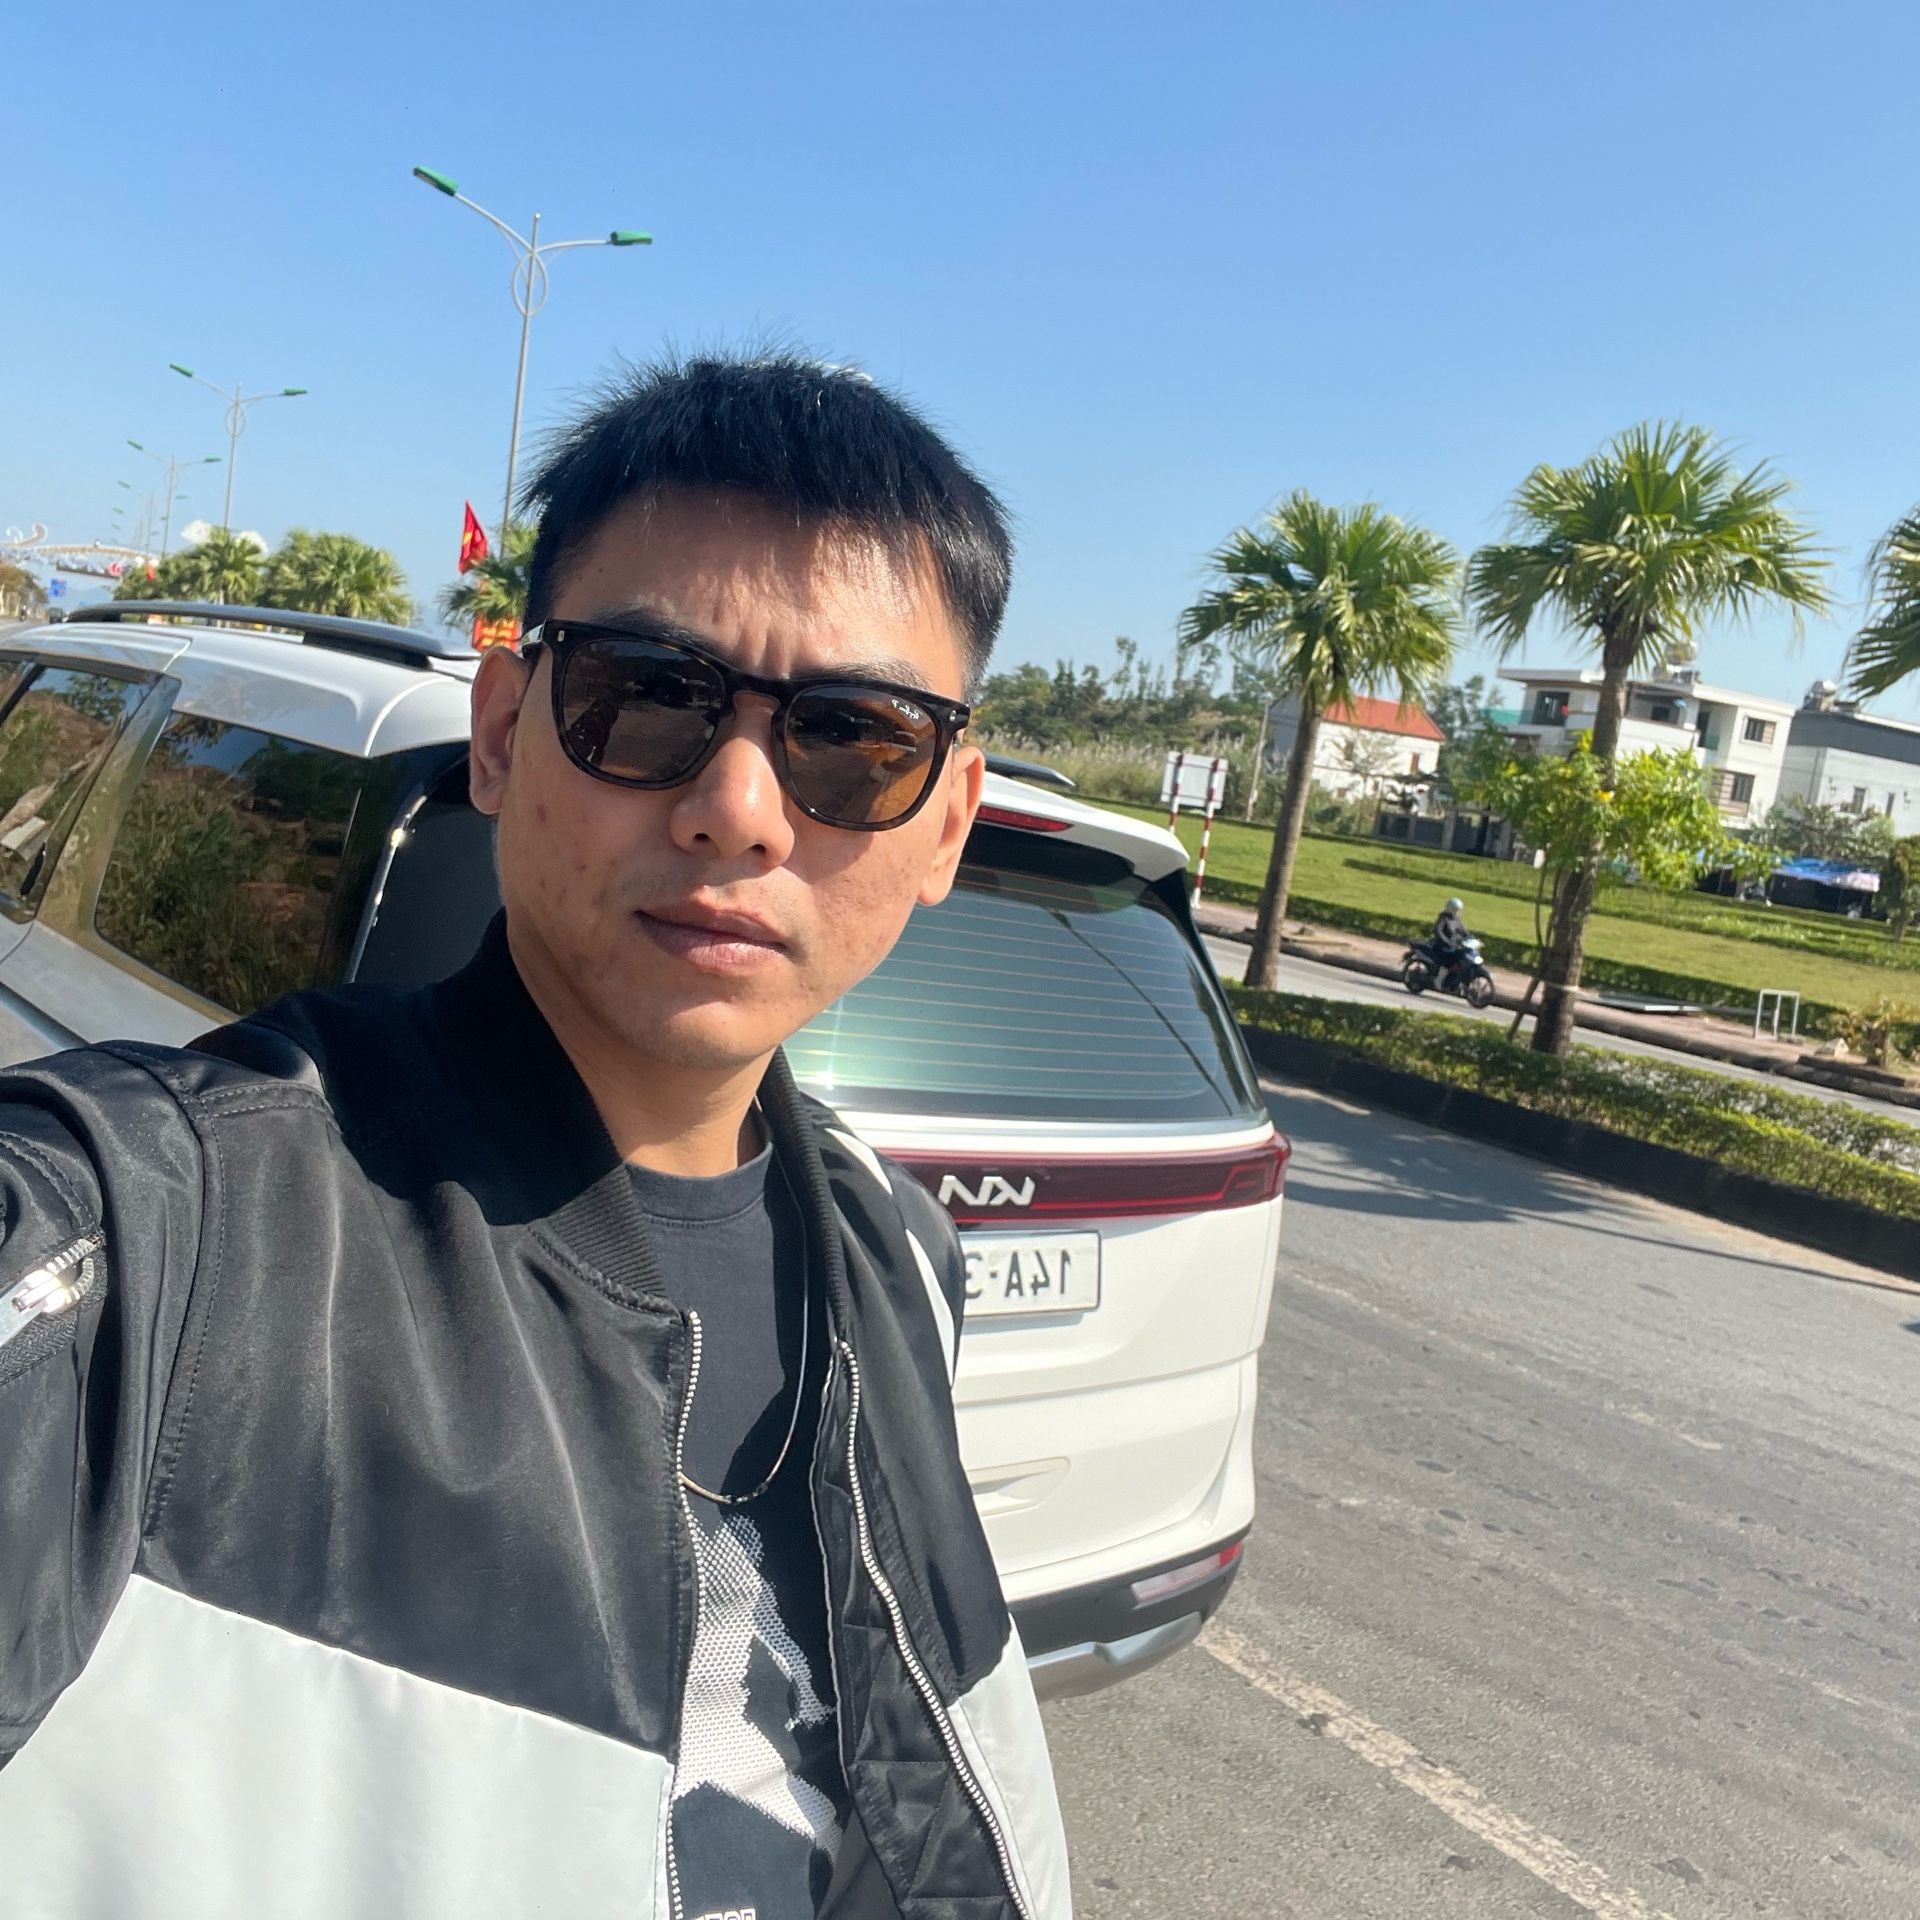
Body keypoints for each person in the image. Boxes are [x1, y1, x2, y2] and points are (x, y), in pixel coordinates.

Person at [0, 353, 1071, 1920]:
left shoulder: (894, 1253)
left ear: (948, 826)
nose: (739, 808)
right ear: (502, 732)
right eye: (645, 696)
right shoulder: (152, 1249)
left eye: (856, 741)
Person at [1432, 895, 1470, 976]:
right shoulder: (1443, 918)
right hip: (1441, 946)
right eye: (1456, 910)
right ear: (1452, 909)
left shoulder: (1456, 919)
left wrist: (1470, 938)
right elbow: (1438, 931)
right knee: (1452, 959)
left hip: (1452, 945)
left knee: (1462, 955)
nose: (1458, 912)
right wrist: (1446, 941)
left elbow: (1463, 931)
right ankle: (1442, 976)